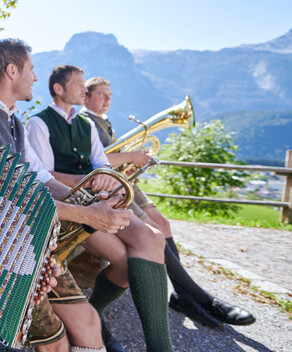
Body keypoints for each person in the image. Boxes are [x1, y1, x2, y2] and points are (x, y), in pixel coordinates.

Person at [0, 39, 132, 352]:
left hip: (26, 248)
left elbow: (39, 177)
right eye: (31, 70)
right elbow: (10, 197)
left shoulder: (15, 123)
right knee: (57, 343)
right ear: (12, 71)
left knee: (89, 322)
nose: (36, 78)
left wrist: (89, 201)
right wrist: (88, 215)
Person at [81, 76, 255, 329]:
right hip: (110, 185)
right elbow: (97, 159)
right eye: (101, 95)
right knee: (154, 231)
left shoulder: (103, 121)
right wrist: (131, 156)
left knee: (164, 223)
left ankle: (184, 295)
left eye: (110, 94)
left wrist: (131, 167)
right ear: (86, 97)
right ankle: (196, 295)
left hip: (123, 180)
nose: (108, 99)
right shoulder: (85, 121)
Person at [26, 65, 174, 352]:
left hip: (99, 199)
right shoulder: (38, 124)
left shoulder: (86, 123)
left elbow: (101, 163)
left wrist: (106, 177)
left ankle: (160, 346)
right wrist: (91, 183)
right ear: (58, 89)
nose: (84, 89)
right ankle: (97, 314)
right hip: (70, 208)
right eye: (79, 84)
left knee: (153, 237)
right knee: (126, 262)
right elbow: (43, 175)